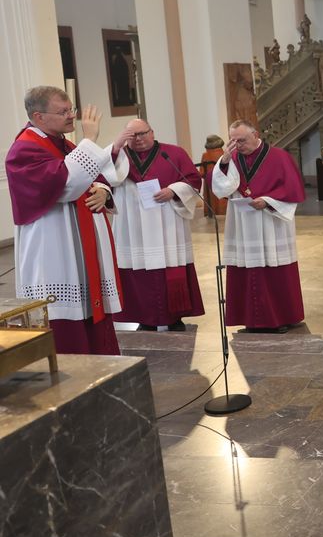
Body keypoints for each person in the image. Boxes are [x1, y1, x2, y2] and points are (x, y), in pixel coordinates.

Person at [5, 87, 133, 354]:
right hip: (54, 248)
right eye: (63, 112)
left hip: (82, 249)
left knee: (90, 305)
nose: (71, 116)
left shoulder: (63, 143)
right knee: (65, 315)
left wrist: (103, 192)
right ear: (39, 117)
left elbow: (94, 177)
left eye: (71, 109)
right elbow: (65, 186)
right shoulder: (25, 149)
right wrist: (90, 139)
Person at [210, 119, 306, 333]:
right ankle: (252, 319)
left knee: (276, 269)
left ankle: (282, 317)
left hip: (271, 220)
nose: (238, 145)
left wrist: (268, 201)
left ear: (256, 135)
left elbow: (292, 190)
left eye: (242, 140)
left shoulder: (280, 157)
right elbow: (220, 188)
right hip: (242, 221)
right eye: (233, 141)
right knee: (246, 267)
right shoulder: (231, 159)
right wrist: (224, 160)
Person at [109, 119, 205, 331]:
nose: (139, 139)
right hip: (132, 222)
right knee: (138, 270)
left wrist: (173, 190)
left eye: (143, 133)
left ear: (152, 132)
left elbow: (193, 180)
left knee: (171, 268)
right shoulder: (119, 157)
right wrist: (115, 148)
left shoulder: (173, 153)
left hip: (167, 221)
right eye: (133, 135)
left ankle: (175, 317)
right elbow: (102, 177)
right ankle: (144, 318)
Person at [198, 134, 228, 217]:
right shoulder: (224, 153)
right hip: (223, 183)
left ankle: (210, 213)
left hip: (209, 184)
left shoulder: (205, 155)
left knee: (212, 202)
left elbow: (201, 172)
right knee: (222, 202)